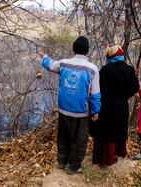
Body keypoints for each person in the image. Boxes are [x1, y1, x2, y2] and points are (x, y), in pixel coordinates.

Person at [40, 36, 101, 175]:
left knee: (63, 136)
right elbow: (95, 94)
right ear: (87, 52)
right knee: (79, 140)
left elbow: (50, 64)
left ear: (73, 50)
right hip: (81, 112)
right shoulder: (92, 69)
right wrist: (95, 113)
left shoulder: (64, 64)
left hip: (64, 109)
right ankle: (74, 166)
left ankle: (62, 161)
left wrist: (44, 57)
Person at [90, 43, 139, 166]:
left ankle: (105, 157)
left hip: (107, 106)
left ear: (109, 54)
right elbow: (135, 87)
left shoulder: (105, 70)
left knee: (107, 131)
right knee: (118, 129)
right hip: (122, 105)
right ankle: (116, 155)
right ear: (121, 53)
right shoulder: (129, 69)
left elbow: (99, 89)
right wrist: (124, 96)